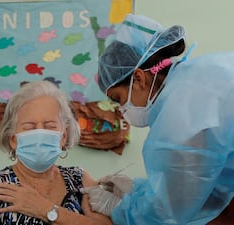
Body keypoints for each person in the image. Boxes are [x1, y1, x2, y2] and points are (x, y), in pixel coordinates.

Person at [81, 13, 234, 225]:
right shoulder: (201, 73)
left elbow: (169, 212)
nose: (121, 110)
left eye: (119, 99)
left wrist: (119, 208)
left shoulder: (180, 117)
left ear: (139, 78)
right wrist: (141, 191)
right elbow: (205, 182)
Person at [0, 80, 112, 225]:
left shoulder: (79, 180)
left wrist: (45, 209)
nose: (39, 134)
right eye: (29, 127)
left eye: (50, 126)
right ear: (13, 139)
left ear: (63, 136)